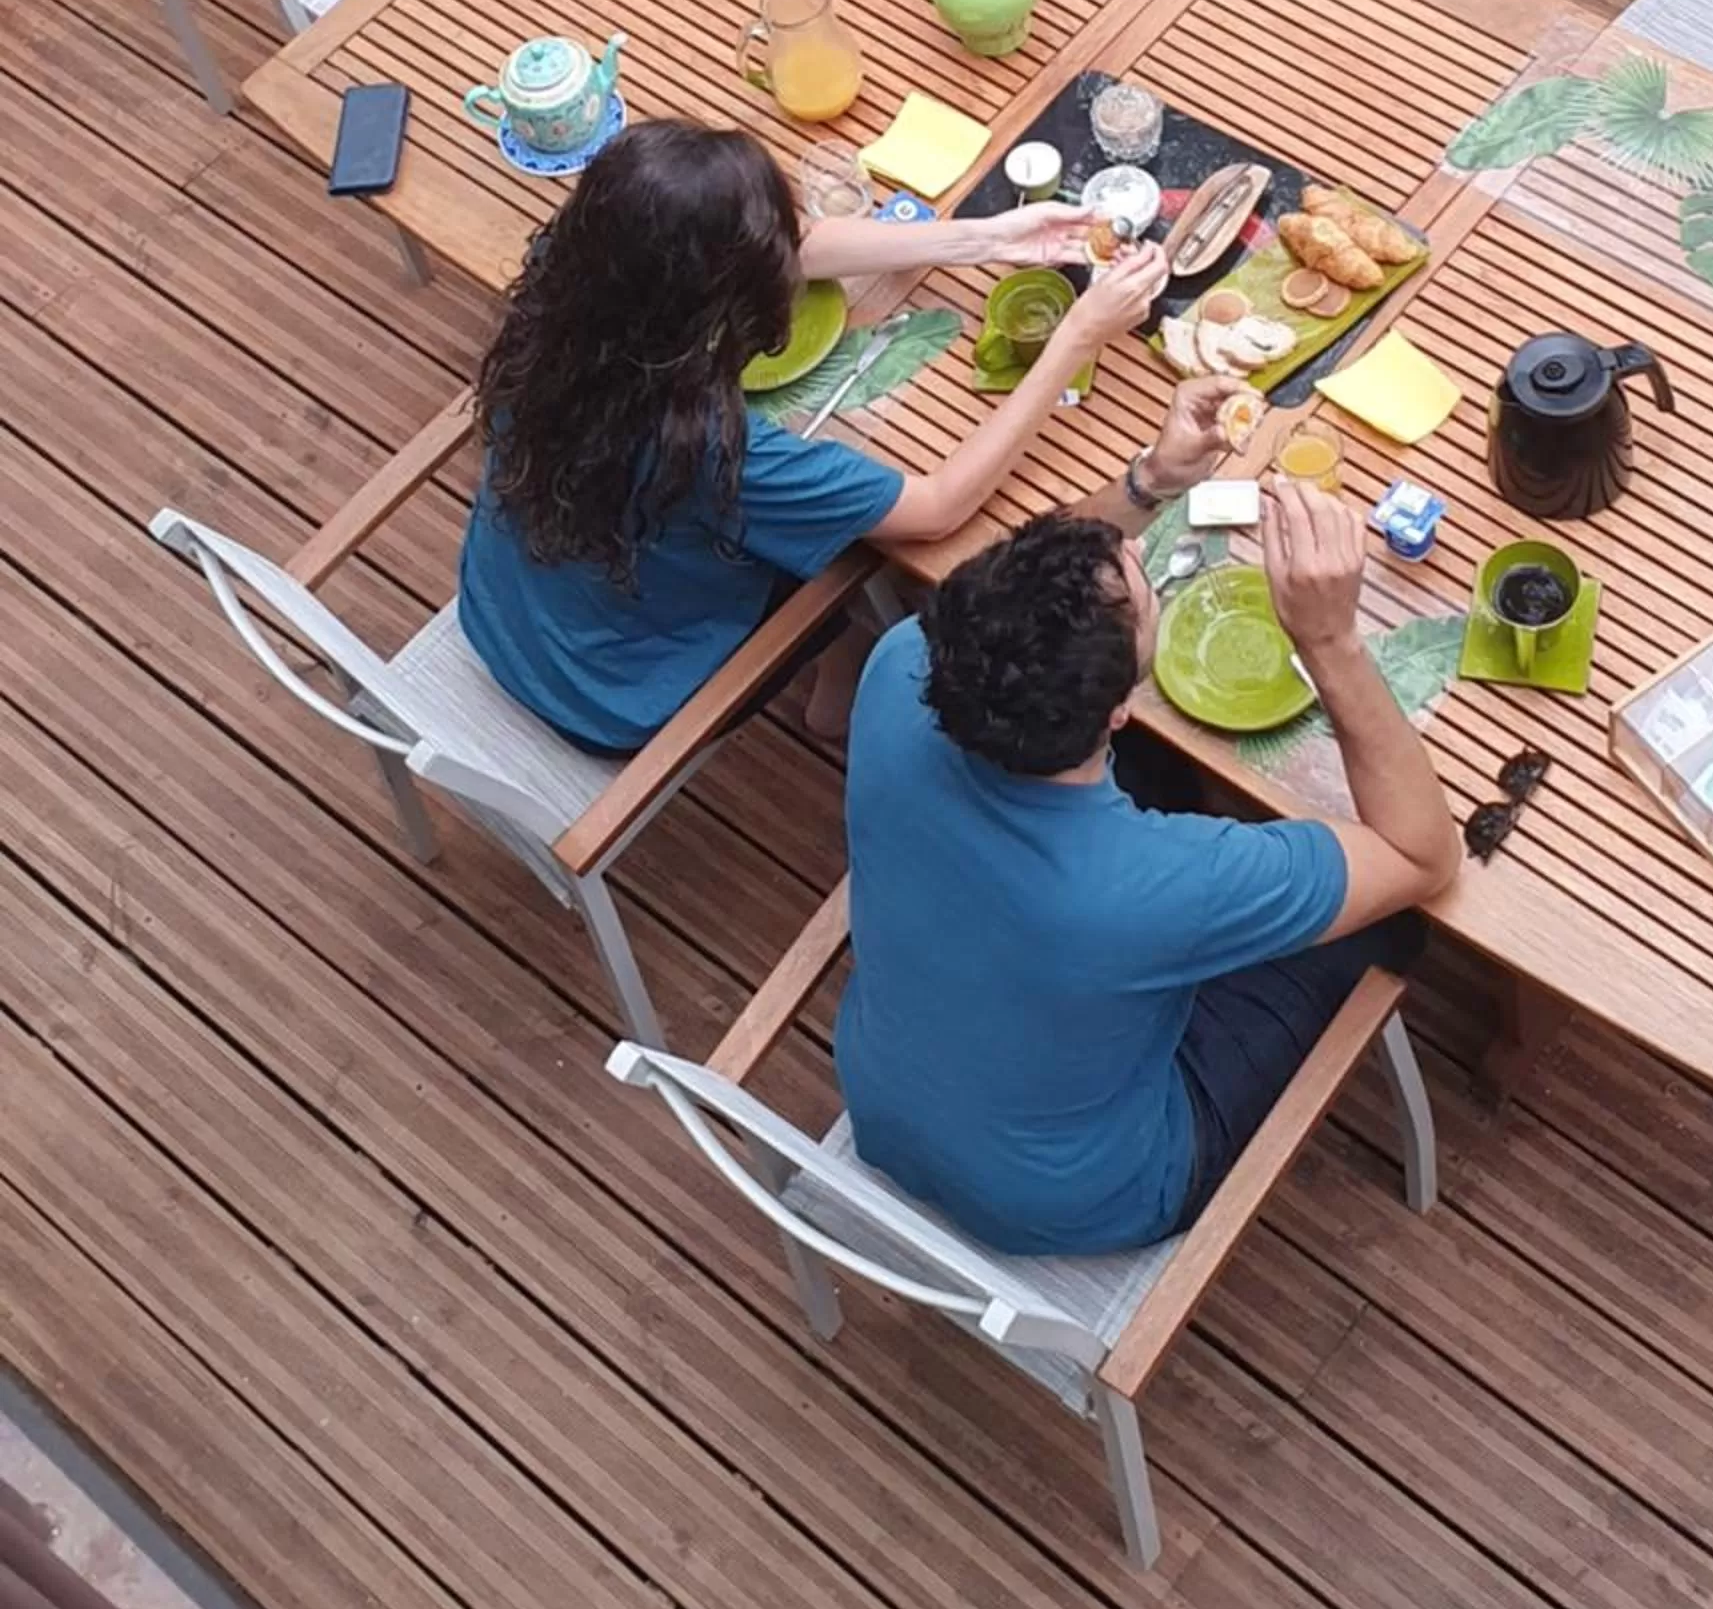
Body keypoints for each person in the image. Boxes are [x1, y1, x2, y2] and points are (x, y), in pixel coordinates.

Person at [836, 450, 1461, 1258]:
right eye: (1140, 588)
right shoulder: (1148, 884)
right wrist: (1331, 638)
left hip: (888, 1100)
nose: (1131, 551)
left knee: (1170, 777)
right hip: (1087, 1195)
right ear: (1117, 713)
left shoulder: (898, 667)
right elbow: (1420, 854)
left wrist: (1146, 483)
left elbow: (1010, 587)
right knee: (1393, 924)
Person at [459, 116, 1168, 752]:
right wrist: (1076, 335)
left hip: (503, 606)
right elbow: (939, 505)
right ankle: (833, 703)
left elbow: (794, 251)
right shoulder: (705, 443)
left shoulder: (580, 269)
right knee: (871, 568)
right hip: (613, 692)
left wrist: (988, 237)